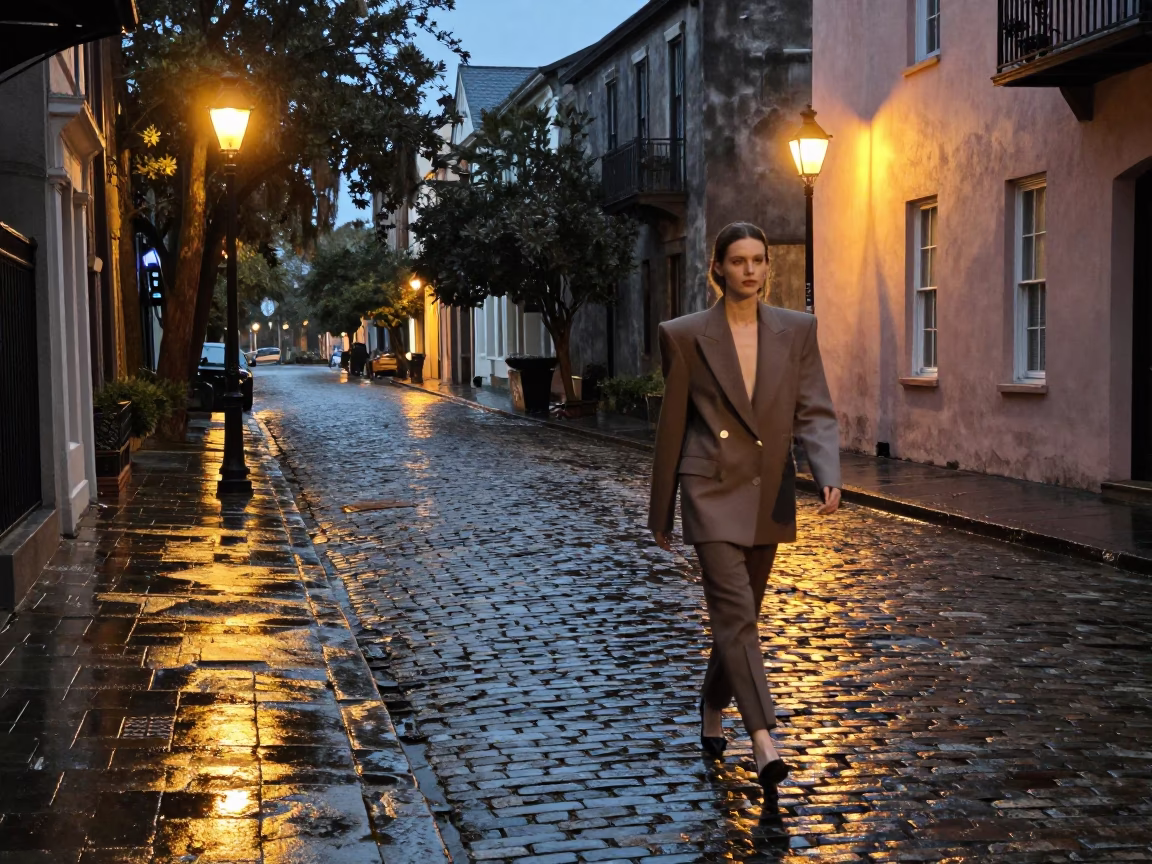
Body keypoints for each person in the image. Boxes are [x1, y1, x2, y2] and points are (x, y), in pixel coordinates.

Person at [648, 222, 841, 795]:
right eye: (738, 261)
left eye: (758, 260)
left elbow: (815, 408)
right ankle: (763, 739)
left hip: (770, 490)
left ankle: (712, 703)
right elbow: (673, 424)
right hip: (709, 487)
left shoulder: (797, 331)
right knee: (734, 613)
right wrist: (662, 510)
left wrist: (826, 469)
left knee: (741, 619)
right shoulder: (683, 335)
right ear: (719, 269)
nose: (750, 270)